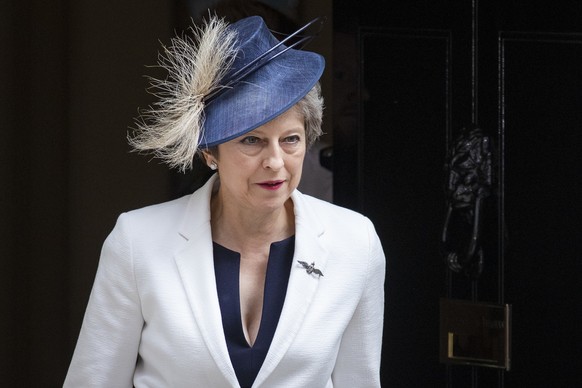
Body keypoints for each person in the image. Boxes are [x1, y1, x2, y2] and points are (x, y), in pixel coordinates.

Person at [64, 15, 385, 388]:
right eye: (251, 139)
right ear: (209, 153)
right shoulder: (137, 241)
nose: (275, 162)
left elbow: (360, 381)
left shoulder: (355, 242)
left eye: (291, 139)